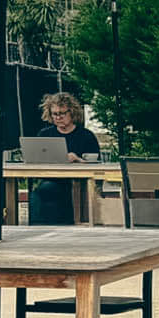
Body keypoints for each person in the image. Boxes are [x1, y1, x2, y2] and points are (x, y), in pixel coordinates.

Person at [27, 91, 101, 225]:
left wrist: (78, 159)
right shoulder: (45, 134)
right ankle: (37, 228)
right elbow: (36, 159)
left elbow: (97, 163)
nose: (58, 117)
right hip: (51, 179)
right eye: (55, 114)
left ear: (72, 113)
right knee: (40, 191)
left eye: (62, 113)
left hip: (78, 183)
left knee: (45, 191)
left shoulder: (86, 136)